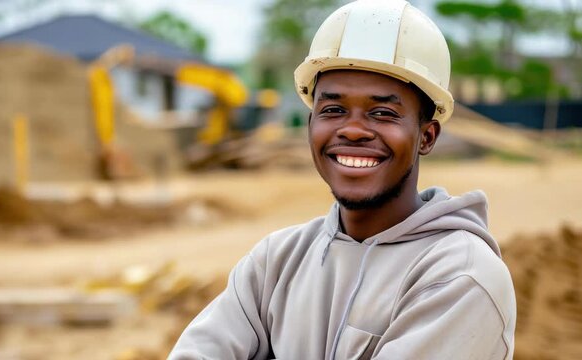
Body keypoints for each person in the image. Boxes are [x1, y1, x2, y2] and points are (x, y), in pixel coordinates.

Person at [169, 0, 516, 359]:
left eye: (383, 113)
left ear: (426, 136)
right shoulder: (275, 262)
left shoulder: (460, 277)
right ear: (310, 126)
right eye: (333, 110)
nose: (352, 130)